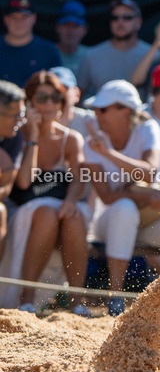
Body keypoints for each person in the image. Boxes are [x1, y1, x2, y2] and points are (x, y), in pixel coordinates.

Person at [83, 80, 160, 316]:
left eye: (102, 109)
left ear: (125, 111)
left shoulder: (147, 128)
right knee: (124, 207)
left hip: (143, 219)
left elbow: (149, 171)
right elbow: (107, 197)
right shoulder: (91, 143)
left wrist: (109, 154)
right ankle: (115, 299)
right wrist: (141, 197)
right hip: (108, 224)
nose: (96, 114)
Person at [12, 70, 91, 315]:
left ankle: (78, 302)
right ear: (29, 102)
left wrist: (70, 201)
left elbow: (81, 179)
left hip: (58, 207)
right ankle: (26, 300)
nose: (50, 104)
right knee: (47, 213)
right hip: (24, 207)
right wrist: (33, 137)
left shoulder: (71, 138)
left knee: (73, 215)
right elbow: (24, 183)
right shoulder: (17, 133)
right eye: (42, 97)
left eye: (56, 97)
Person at [77, 0, 151, 99]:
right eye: (115, 18)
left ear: (139, 22)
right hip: (100, 114)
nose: (120, 22)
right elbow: (78, 96)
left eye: (127, 17)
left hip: (139, 114)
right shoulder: (92, 55)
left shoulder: (153, 55)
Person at [0, 0, 61, 88]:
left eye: (24, 17)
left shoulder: (48, 50)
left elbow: (58, 87)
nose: (19, 22)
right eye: (14, 17)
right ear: (5, 19)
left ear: (34, 18)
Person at [0, 80, 25, 270]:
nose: (20, 121)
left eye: (22, 114)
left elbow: (5, 190)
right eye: (15, 116)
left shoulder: (15, 136)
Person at [54, 0, 89, 75]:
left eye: (76, 26)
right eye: (66, 25)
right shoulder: (46, 54)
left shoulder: (92, 56)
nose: (70, 31)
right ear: (57, 27)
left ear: (85, 29)